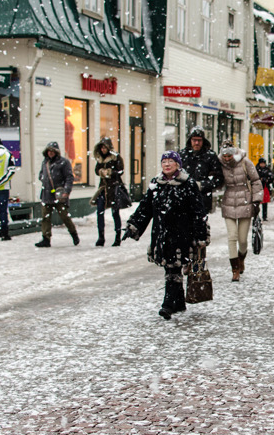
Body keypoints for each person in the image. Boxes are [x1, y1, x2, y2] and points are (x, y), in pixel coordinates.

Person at [123, 151, 208, 319]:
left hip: (182, 234)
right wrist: (133, 225)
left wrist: (201, 234)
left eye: (171, 161)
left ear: (178, 164)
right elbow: (145, 208)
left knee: (173, 267)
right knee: (170, 266)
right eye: (164, 161)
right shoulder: (156, 183)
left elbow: (198, 211)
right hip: (162, 234)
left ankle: (167, 304)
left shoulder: (188, 184)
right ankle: (178, 302)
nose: (167, 164)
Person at [218, 140, 263, 282]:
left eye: (229, 156)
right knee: (232, 236)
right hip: (229, 202)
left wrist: (256, 201)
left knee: (242, 239)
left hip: (245, 201)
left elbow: (256, 180)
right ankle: (235, 268)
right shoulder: (219, 165)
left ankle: (241, 257)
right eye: (224, 156)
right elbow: (217, 181)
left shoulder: (245, 162)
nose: (226, 159)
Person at [35, 141, 79, 247]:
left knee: (64, 217)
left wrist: (66, 191)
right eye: (49, 151)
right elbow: (41, 174)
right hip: (47, 194)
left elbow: (69, 177)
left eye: (52, 151)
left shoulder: (64, 162)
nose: (50, 153)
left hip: (59, 194)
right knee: (45, 217)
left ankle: (73, 233)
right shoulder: (45, 162)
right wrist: (43, 179)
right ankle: (46, 238)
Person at [179, 126, 224, 213]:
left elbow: (219, 178)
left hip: (202, 200)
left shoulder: (210, 156)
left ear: (203, 141)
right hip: (184, 199)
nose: (196, 143)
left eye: (199, 140)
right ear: (190, 140)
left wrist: (202, 185)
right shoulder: (182, 155)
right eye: (194, 140)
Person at [91, 137, 125, 247]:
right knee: (100, 211)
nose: (103, 150)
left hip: (114, 188)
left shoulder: (115, 157)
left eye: (105, 147)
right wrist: (101, 171)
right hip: (103, 188)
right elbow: (97, 170)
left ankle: (117, 237)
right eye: (101, 148)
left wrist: (111, 172)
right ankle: (101, 237)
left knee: (115, 213)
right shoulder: (100, 159)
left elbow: (121, 170)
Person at [255, 157, 274, 221]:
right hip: (258, 188)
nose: (262, 165)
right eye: (261, 163)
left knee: (265, 202)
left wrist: (267, 180)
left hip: (265, 187)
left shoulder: (267, 169)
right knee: (257, 202)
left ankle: (264, 216)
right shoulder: (256, 169)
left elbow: (271, 178)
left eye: (263, 163)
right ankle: (256, 215)